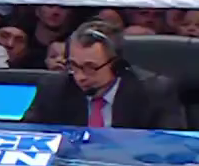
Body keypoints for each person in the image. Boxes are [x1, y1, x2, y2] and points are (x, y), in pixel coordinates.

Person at [20, 20, 185, 130]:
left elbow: (170, 149)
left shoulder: (155, 92)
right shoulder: (53, 88)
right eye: (73, 66)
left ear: (117, 65)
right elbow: (28, 135)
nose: (79, 77)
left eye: (90, 68)